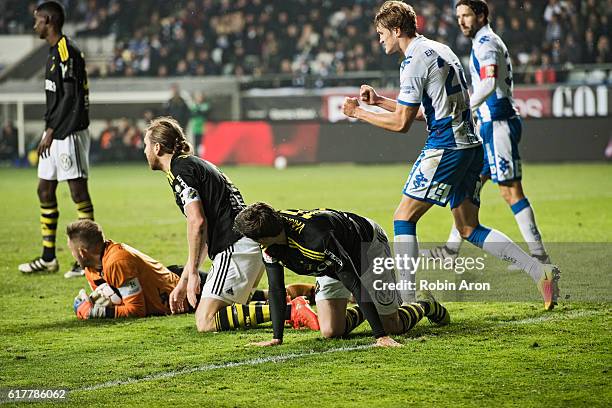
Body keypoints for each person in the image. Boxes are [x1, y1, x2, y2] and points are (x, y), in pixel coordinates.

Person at [341, 1, 559, 310]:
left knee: (403, 217)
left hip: (447, 147)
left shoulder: (413, 60)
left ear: (397, 30)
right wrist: (379, 101)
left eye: (381, 33)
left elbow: (402, 123)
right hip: (471, 146)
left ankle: (408, 299)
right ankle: (539, 270)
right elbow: (422, 111)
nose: (379, 40)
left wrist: (359, 113)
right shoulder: (439, 49)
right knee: (468, 227)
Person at [143, 116, 319, 332]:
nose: (144, 151)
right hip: (247, 243)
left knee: (206, 320)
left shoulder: (181, 170)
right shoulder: (192, 164)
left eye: (146, 145)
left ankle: (290, 310)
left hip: (235, 246)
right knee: (230, 305)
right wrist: (184, 280)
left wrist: (193, 276)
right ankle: (300, 294)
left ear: (158, 148)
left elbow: (197, 222)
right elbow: (205, 231)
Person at [422, 0, 553, 272]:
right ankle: (451, 249)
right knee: (468, 183)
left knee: (510, 190)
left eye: (467, 15)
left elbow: (489, 83)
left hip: (497, 123)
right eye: (458, 16)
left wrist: (464, 107)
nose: (461, 21)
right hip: (489, 126)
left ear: (481, 15)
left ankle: (539, 257)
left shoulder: (487, 44)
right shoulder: (482, 41)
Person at [234, 203, 451, 348]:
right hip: (330, 260)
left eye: (254, 238)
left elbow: (354, 282)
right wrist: (276, 338)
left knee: (392, 325)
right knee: (331, 331)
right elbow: (276, 289)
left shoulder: (315, 240)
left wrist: (380, 336)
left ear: (265, 236)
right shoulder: (271, 239)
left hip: (366, 248)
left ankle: (423, 302)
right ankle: (372, 309)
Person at [68, 219, 315, 324]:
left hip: (184, 294)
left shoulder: (115, 261)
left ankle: (296, 307)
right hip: (172, 282)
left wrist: (95, 312)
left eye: (71, 250)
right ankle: (311, 295)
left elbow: (136, 309)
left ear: (81, 252)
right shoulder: (93, 267)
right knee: (256, 296)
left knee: (240, 306)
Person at [18, 1, 93, 278]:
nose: (34, 25)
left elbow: (71, 97)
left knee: (77, 192)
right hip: (54, 131)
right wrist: (48, 129)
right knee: (44, 190)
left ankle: (89, 257)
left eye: (37, 20)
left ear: (48, 20)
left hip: (69, 132)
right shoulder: (52, 52)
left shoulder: (66, 51)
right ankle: (49, 257)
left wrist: (51, 130)